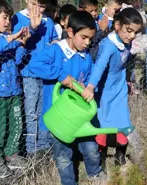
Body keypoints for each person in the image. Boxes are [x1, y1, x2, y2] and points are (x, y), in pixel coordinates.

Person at [27, 11, 105, 185]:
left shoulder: (85, 57)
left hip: (80, 115)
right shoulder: (56, 50)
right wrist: (61, 75)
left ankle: (96, 175)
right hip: (59, 117)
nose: (87, 43)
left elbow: (91, 77)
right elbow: (34, 64)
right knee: (63, 156)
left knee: (91, 148)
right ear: (70, 32)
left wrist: (90, 89)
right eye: (83, 37)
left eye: (90, 39)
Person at [81, 8, 143, 166]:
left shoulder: (126, 43)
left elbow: (124, 65)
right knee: (102, 126)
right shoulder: (108, 45)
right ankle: (99, 161)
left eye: (135, 32)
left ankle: (120, 156)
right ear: (117, 25)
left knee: (123, 122)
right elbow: (99, 66)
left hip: (119, 89)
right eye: (129, 31)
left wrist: (128, 82)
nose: (132, 36)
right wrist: (90, 86)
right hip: (104, 92)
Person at [0, 0, 30, 178]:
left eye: (9, 17)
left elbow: (16, 61)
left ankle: (12, 154)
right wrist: (12, 39)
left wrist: (22, 44)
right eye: (4, 17)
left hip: (14, 90)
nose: (8, 21)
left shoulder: (6, 38)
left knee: (16, 125)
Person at [11, 0, 58, 154]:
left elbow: (54, 40)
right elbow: (17, 45)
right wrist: (33, 28)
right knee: (30, 112)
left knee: (43, 110)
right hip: (28, 73)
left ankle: (44, 145)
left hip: (46, 74)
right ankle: (31, 148)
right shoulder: (17, 19)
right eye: (34, 3)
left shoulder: (48, 21)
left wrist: (54, 44)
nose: (37, 9)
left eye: (43, 6)